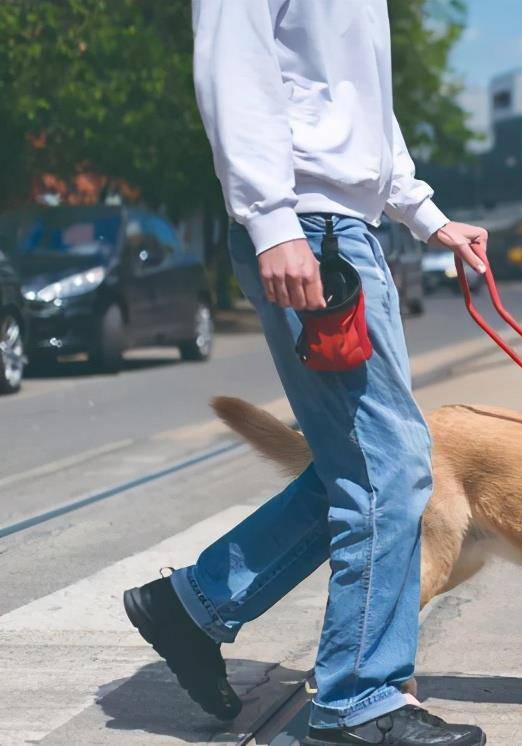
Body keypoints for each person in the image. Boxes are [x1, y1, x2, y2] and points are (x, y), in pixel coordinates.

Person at [121, 3, 488, 744]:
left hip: (345, 227)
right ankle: (358, 699)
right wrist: (271, 218)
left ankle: (194, 606)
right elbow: (236, 66)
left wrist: (422, 212)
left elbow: (354, 97)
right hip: (310, 229)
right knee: (390, 467)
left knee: (365, 465)